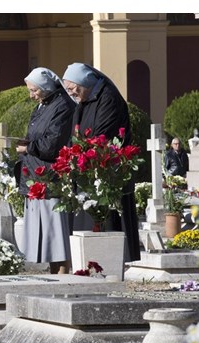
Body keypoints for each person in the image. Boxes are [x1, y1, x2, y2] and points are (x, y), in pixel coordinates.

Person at [62, 62, 141, 262]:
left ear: (84, 82)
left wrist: (81, 150)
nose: (71, 93)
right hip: (88, 171)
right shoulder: (85, 100)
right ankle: (88, 263)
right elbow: (76, 134)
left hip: (108, 172)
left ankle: (107, 262)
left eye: (72, 88)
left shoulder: (108, 98)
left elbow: (102, 136)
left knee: (108, 219)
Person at [15, 67, 75, 274]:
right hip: (36, 173)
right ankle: (54, 270)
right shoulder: (43, 105)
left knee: (55, 231)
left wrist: (28, 147)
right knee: (47, 232)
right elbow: (37, 135)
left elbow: (52, 143)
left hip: (50, 175)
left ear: (46, 87)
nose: (31, 95)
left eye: (34, 90)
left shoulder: (63, 106)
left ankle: (62, 273)